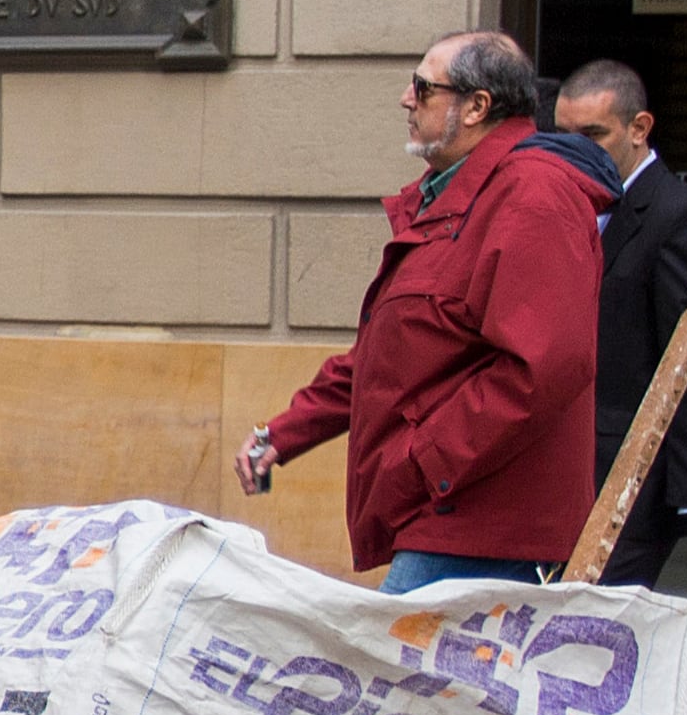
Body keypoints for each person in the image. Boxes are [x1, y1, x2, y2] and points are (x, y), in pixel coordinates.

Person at [236, 31, 616, 593]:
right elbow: (390, 354)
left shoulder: (534, 194)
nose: (406, 99)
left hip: (485, 529)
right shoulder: (456, 194)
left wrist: (423, 462)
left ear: (477, 106)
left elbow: (542, 369)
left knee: (383, 650)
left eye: (423, 88)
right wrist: (285, 433)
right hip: (448, 516)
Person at [552, 59, 687, 587]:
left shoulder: (683, 217)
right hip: (560, 470)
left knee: (591, 625)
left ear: (639, 128)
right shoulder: (562, 208)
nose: (576, 151)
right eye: (564, 136)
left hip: (629, 478)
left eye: (594, 135)